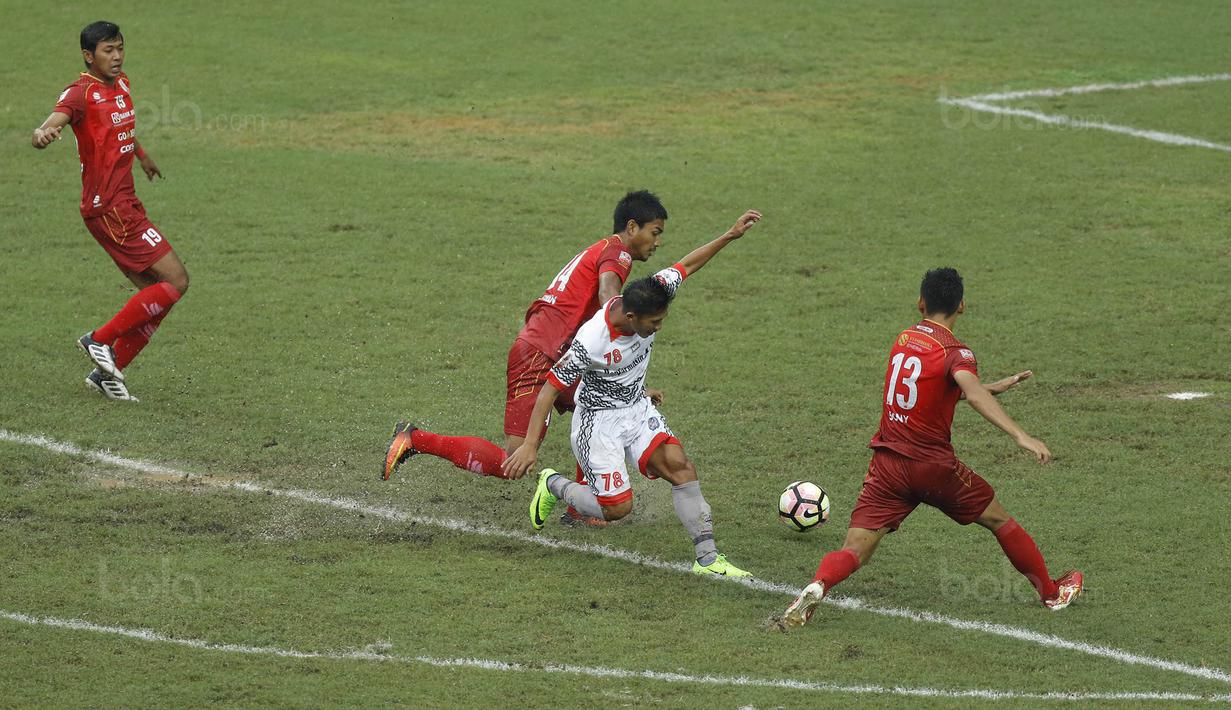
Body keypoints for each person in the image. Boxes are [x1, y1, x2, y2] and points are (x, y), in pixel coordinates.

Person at [782, 267, 1082, 627]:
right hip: (933, 469)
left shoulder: (905, 339)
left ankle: (819, 584)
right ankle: (1051, 593)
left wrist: (992, 387)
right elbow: (968, 392)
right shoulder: (957, 352)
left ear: (921, 303)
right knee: (999, 520)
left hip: (887, 466)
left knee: (854, 550)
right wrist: (1020, 435)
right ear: (962, 307)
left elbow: (932, 392)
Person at [502, 210, 762, 577]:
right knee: (617, 509)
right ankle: (554, 484)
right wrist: (530, 445)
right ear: (632, 317)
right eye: (654, 324)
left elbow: (687, 264)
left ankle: (708, 560)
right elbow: (549, 388)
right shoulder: (592, 341)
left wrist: (730, 235)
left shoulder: (651, 292)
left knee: (681, 467)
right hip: (598, 424)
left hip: (636, 410)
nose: (658, 327)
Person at [382, 191, 666, 515]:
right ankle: (414, 439)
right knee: (512, 462)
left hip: (554, 351)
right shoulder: (618, 254)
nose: (657, 242)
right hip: (540, 354)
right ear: (632, 227)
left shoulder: (606, 249)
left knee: (598, 406)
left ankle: (582, 509)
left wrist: (633, 386)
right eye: (654, 232)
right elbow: (607, 292)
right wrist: (623, 320)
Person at [31, 21, 190, 402]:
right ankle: (97, 339)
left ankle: (106, 376)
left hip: (123, 202)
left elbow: (121, 129)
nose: (117, 56)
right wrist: (43, 134)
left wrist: (143, 156)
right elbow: (49, 124)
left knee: (157, 296)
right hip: (111, 208)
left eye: (120, 48)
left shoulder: (122, 85)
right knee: (176, 281)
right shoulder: (79, 94)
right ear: (89, 55)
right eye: (108, 50)